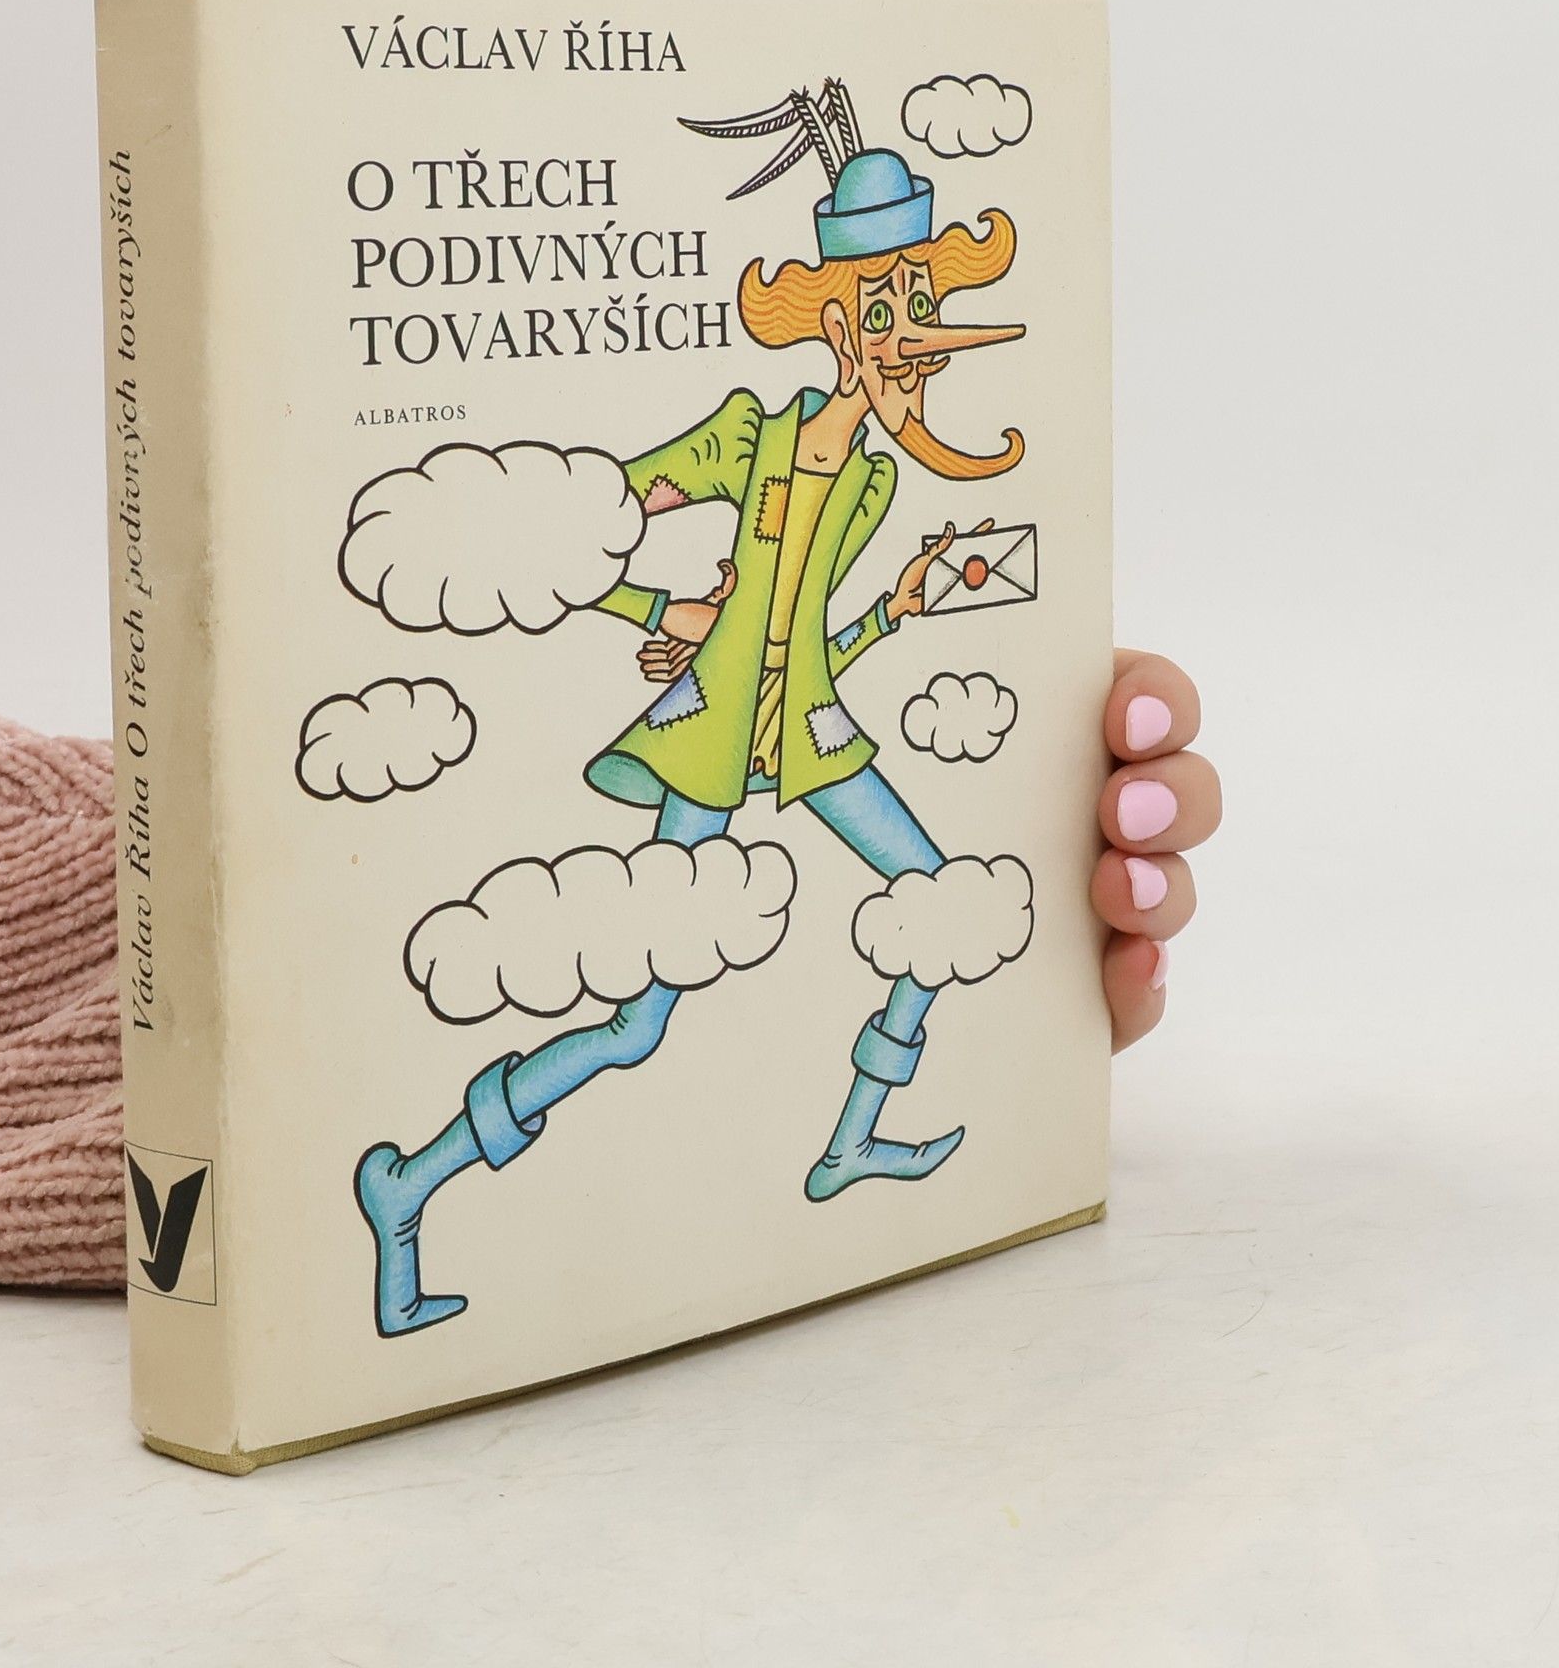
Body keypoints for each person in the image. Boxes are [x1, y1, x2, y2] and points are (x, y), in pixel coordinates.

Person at [357, 117, 1221, 1338]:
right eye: (890, 310)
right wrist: (664, 607)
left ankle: (851, 1140)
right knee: (637, 1023)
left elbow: (806, 643)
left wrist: (897, 611)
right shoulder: (746, 438)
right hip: (710, 747)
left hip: (810, 739)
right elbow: (588, 524)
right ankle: (412, 1181)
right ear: (838, 324)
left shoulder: (873, 482)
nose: (915, 341)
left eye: (924, 306)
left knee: (945, 903)